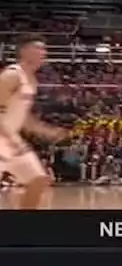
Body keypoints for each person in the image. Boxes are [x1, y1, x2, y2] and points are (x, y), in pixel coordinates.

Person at [0, 35, 67, 209]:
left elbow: (23, 117)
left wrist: (45, 130)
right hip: (4, 138)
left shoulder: (31, 80)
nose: (43, 52)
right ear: (23, 51)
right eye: (38, 48)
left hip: (8, 139)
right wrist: (10, 138)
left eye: (44, 49)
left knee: (38, 180)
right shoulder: (11, 75)